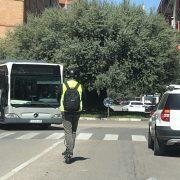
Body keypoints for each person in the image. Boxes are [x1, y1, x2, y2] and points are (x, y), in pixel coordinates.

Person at [60, 69, 83, 164]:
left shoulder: (64, 85)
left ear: (68, 75)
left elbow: (58, 96)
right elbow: (84, 98)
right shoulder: (80, 86)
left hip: (65, 111)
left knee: (68, 131)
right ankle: (69, 149)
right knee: (73, 131)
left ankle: (69, 150)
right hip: (77, 111)